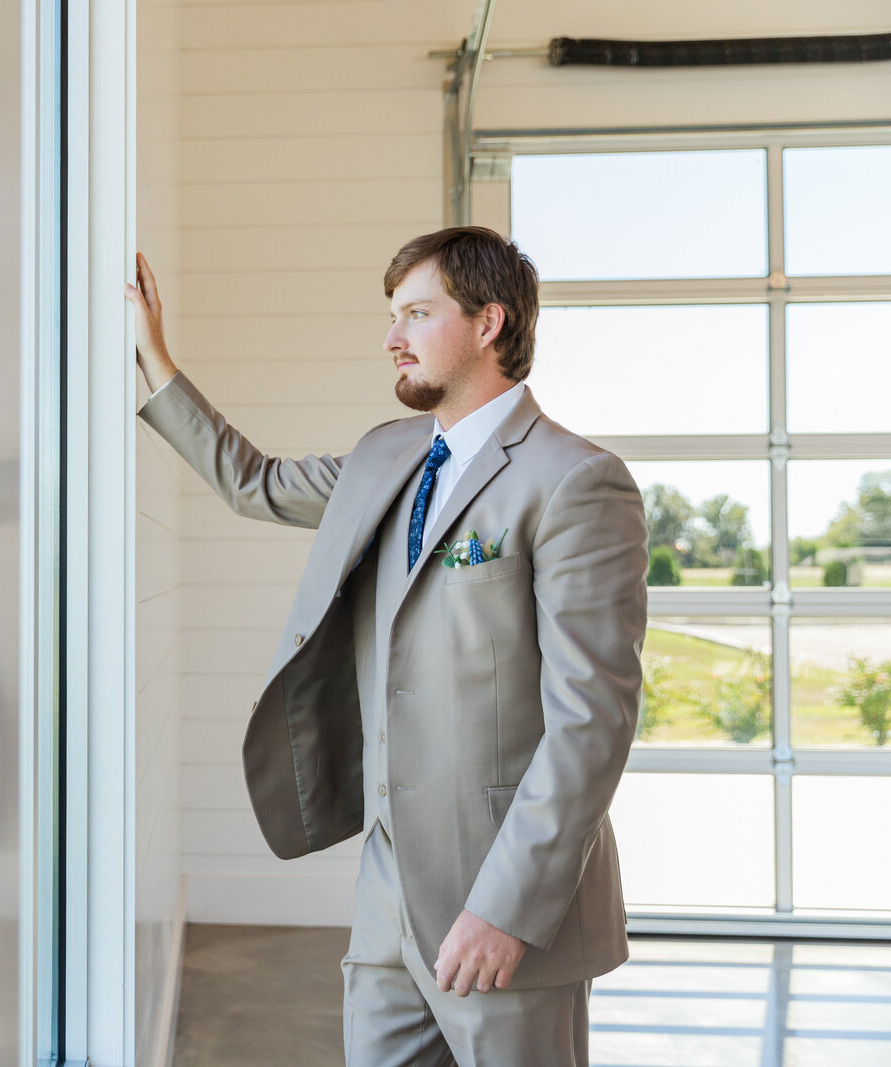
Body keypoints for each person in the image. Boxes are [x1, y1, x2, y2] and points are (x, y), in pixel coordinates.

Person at [124, 227, 648, 1066]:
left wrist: (506, 907)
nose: (391, 337)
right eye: (392, 314)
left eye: (416, 313)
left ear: (488, 322)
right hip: (386, 891)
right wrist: (154, 357)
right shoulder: (386, 455)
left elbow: (592, 722)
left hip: (506, 901)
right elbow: (254, 483)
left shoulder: (576, 480)